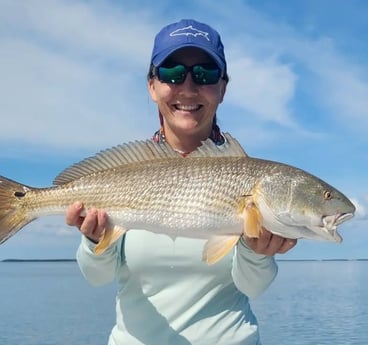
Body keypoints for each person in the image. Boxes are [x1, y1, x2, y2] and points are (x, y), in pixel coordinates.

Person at [66, 19, 297, 345]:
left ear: (223, 88)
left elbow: (253, 287)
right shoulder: (126, 174)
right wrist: (93, 241)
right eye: (172, 73)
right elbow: (96, 276)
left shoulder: (251, 178)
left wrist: (258, 253)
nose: (188, 88)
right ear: (152, 85)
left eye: (205, 74)